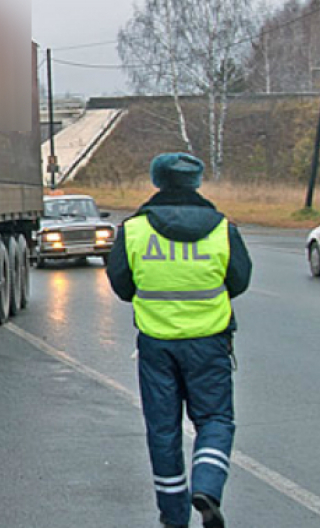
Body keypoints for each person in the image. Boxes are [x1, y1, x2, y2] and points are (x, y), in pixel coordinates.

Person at [106, 153, 252, 528]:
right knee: (216, 419)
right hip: (210, 344)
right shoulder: (222, 228)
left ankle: (174, 516)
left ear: (158, 181)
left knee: (163, 429)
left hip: (157, 346)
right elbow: (239, 280)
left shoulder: (135, 230)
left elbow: (122, 284)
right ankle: (206, 486)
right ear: (195, 183)